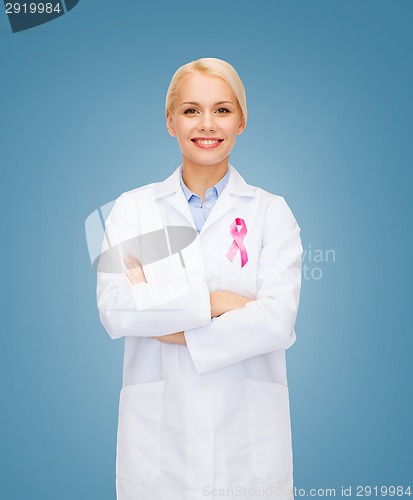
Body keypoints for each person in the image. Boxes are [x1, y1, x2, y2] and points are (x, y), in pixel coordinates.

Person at [96, 57, 303, 500]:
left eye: (222, 110)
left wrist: (164, 317)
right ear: (170, 121)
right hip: (159, 450)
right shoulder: (133, 210)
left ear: (242, 121)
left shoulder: (272, 212)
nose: (206, 124)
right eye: (191, 110)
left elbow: (277, 322)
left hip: (247, 448)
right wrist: (217, 302)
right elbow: (117, 309)